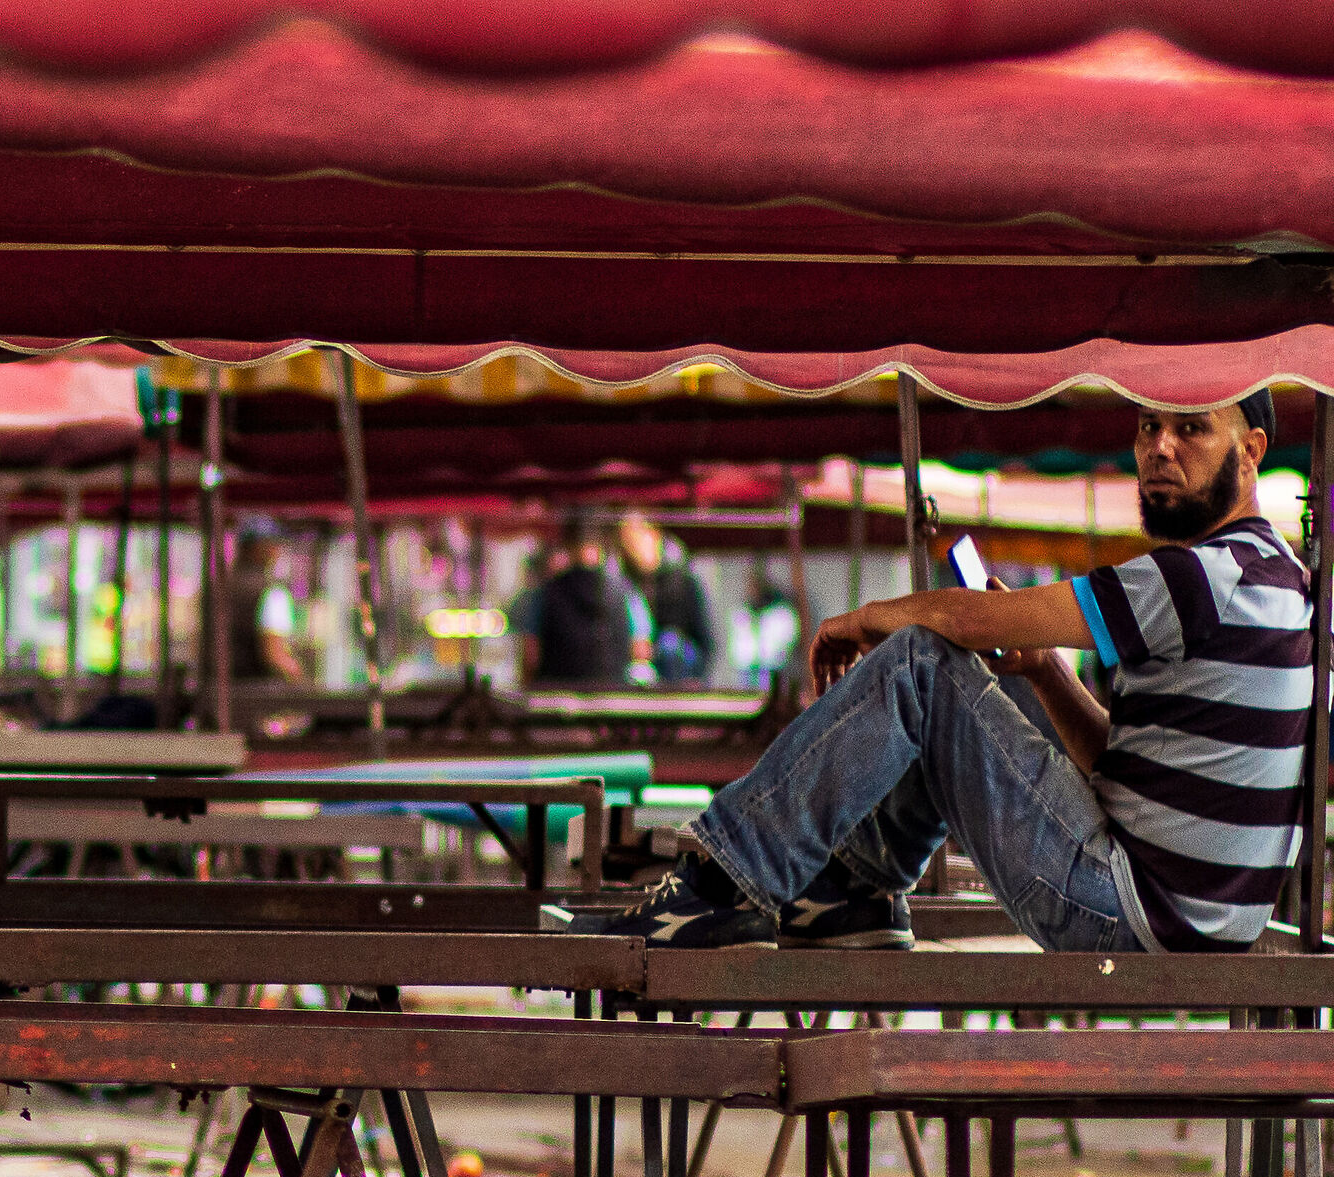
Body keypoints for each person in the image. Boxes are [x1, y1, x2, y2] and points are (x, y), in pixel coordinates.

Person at [587, 390, 1307, 953]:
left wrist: (864, 618)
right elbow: (1122, 776)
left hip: (1128, 912)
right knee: (957, 676)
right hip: (1177, 915)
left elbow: (970, 622)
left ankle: (720, 885)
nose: (1160, 448)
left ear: (1250, 451)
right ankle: (856, 892)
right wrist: (1050, 675)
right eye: (1149, 428)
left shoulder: (1204, 574)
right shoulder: (1273, 574)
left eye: (1190, 430)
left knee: (924, 661)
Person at [512, 516, 635, 684]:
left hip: (558, 697)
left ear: (568, 547)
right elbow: (641, 647)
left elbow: (530, 654)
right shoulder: (625, 590)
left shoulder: (546, 592)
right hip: (612, 694)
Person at [619, 513, 714, 683]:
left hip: (680, 666)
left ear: (654, 534)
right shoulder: (623, 585)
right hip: (639, 668)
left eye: (636, 538)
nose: (632, 548)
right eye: (627, 542)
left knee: (670, 643)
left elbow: (706, 639)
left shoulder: (682, 580)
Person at [227, 533, 307, 683]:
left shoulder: (218, 587)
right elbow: (274, 654)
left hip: (218, 690)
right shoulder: (273, 593)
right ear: (262, 548)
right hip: (258, 691)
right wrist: (299, 678)